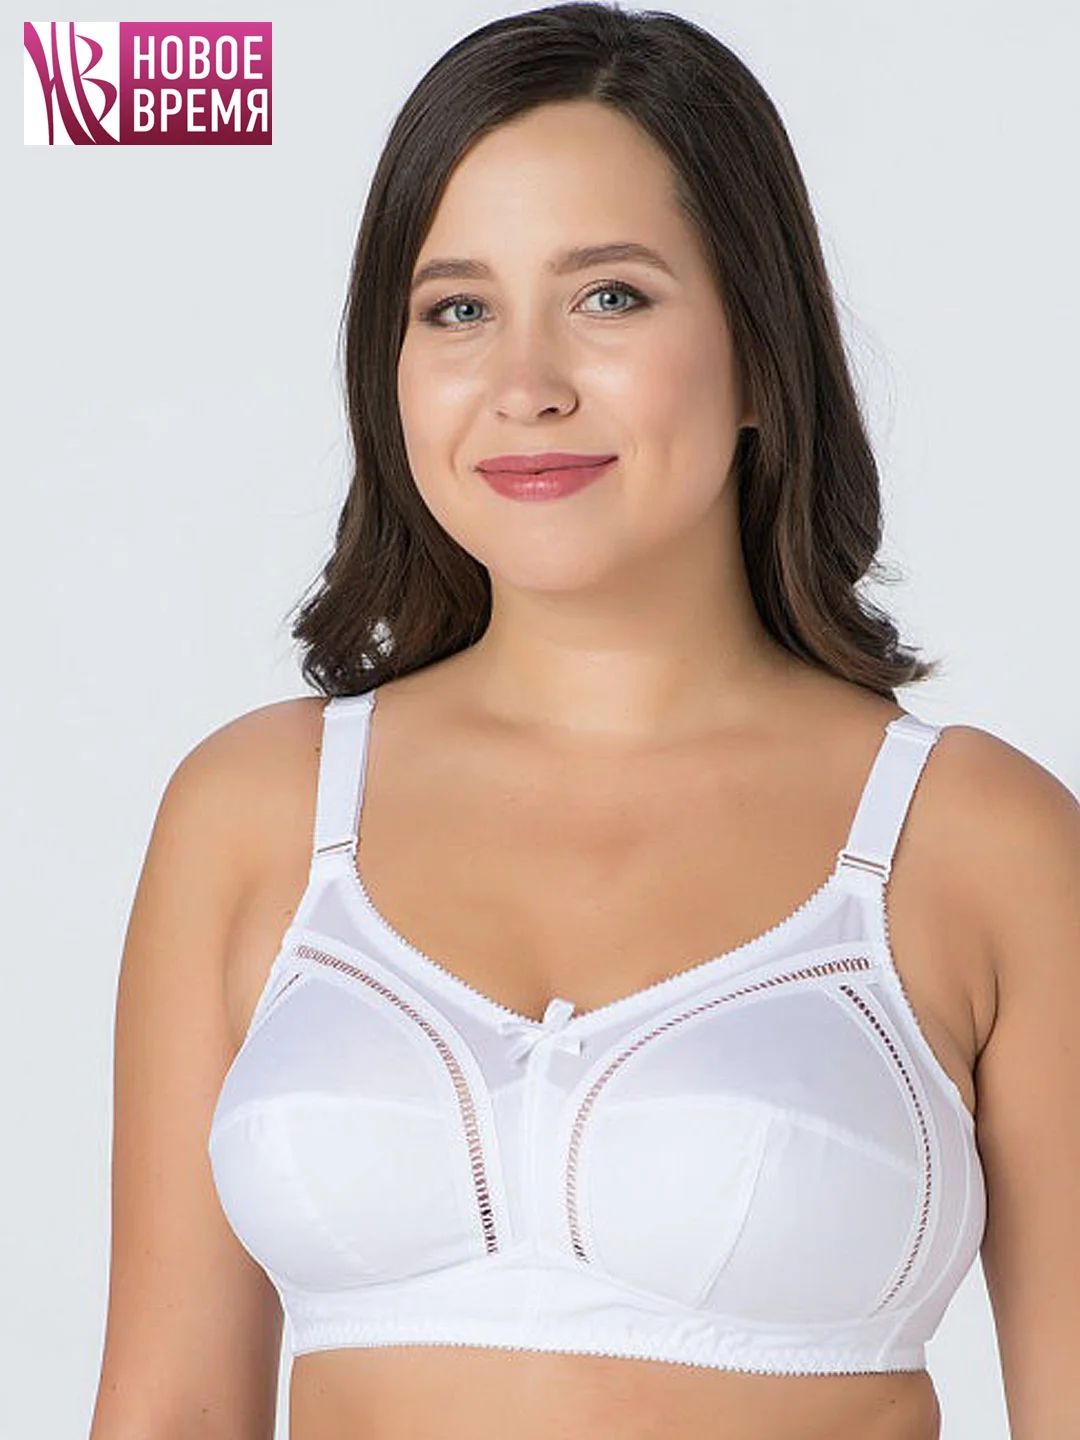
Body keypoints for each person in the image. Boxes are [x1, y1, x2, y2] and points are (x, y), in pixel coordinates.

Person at [89, 4, 1080, 1439]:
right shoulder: (254, 812)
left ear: (760, 348)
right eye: (457, 309)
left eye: (610, 297)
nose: (526, 387)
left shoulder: (978, 840)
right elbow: (167, 1405)